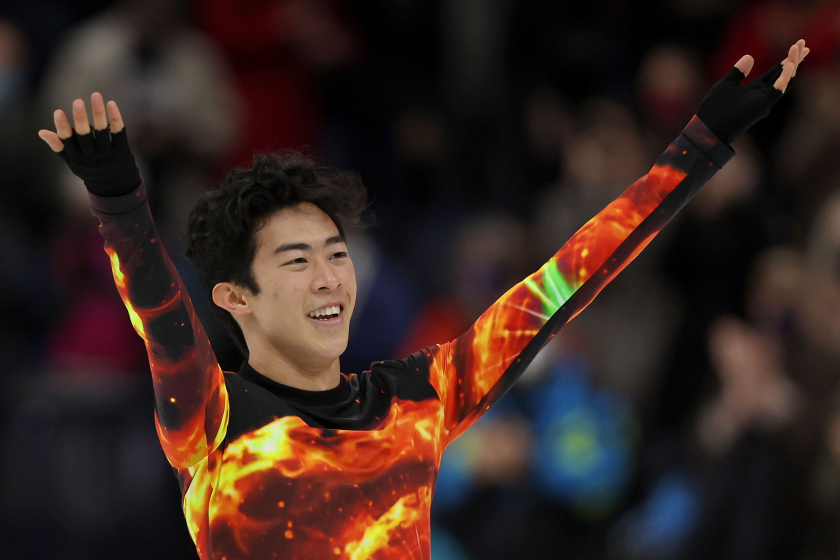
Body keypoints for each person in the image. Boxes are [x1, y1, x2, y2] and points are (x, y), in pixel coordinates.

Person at [37, 41, 808, 560]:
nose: (330, 279)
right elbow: (163, 320)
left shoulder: (419, 399)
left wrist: (697, 147)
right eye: (298, 260)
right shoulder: (214, 417)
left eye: (337, 256)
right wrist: (122, 207)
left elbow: (567, 280)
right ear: (236, 296)